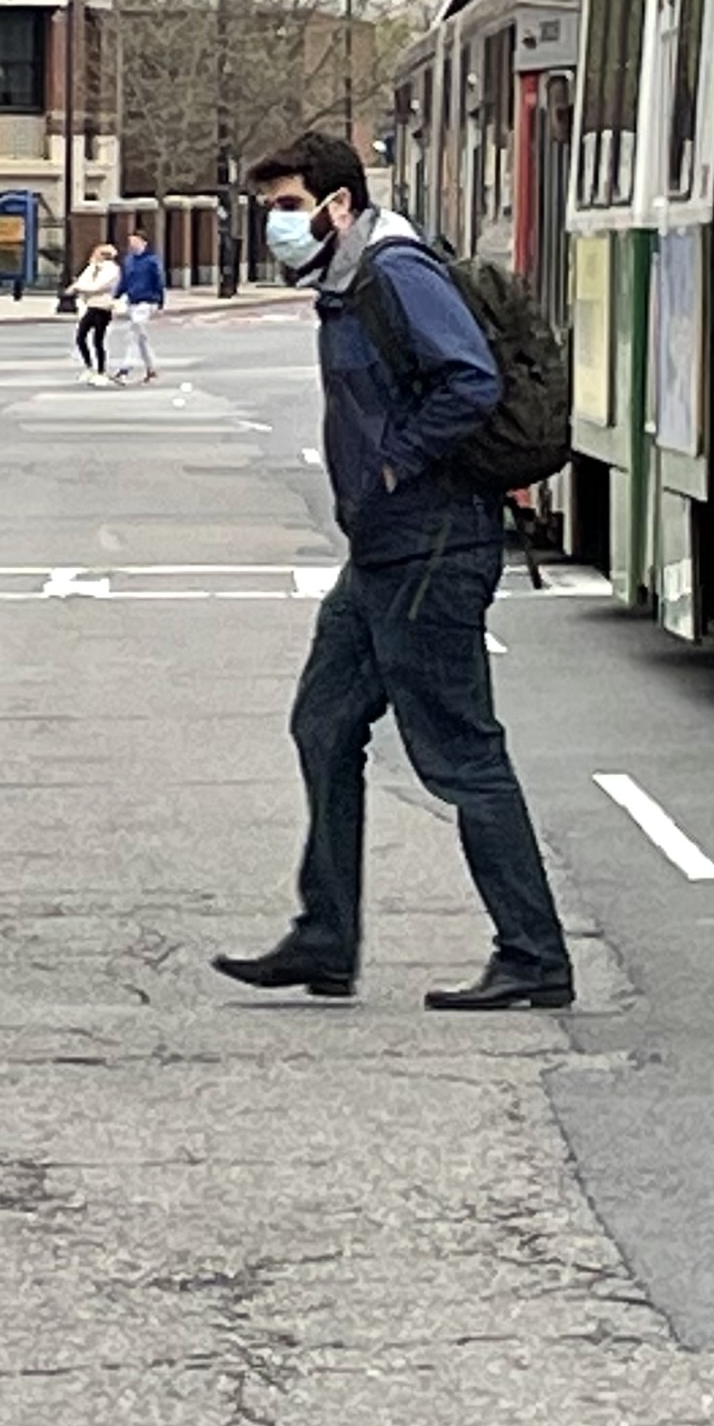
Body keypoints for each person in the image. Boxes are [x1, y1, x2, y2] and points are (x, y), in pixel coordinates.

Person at [215, 128, 575, 1013]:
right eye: (270, 211)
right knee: (325, 722)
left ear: (339, 206)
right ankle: (326, 938)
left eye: (291, 209)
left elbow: (470, 380)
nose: (278, 227)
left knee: (460, 753)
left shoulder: (394, 273)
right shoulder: (348, 280)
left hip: (432, 545)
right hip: (385, 551)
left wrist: (393, 465)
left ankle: (533, 953)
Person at [114, 228, 169, 383]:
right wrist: (116, 296)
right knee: (141, 337)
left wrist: (160, 300)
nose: (132, 244)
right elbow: (124, 281)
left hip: (147, 301)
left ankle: (125, 368)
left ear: (143, 243)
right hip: (133, 301)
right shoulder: (129, 260)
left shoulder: (151, 260)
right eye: (131, 241)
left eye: (135, 241)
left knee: (134, 332)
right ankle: (151, 369)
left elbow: (159, 280)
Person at [72, 242, 123, 382]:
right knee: (80, 337)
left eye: (97, 253)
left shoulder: (112, 270)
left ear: (104, 256)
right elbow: (80, 282)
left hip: (103, 307)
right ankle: (89, 368)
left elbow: (98, 286)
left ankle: (101, 372)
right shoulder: (92, 268)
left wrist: (82, 288)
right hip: (91, 306)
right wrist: (80, 287)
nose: (93, 255)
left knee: (98, 340)